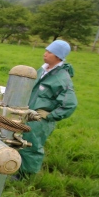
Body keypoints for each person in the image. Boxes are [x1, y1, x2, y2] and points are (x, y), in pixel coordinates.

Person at [17, 40, 77, 177]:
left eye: (49, 52)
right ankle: (15, 168)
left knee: (31, 145)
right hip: (27, 113)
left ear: (58, 56)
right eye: (46, 51)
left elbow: (70, 104)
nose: (45, 54)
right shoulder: (43, 70)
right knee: (19, 141)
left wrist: (49, 115)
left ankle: (26, 175)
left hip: (39, 120)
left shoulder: (62, 78)